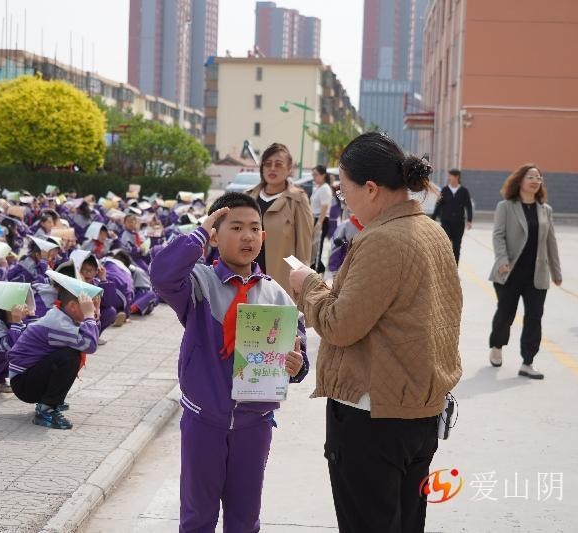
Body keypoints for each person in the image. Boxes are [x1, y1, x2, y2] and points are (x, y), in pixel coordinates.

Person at [288, 132, 462, 533]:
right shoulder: (431, 231)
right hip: (419, 411)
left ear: (370, 188)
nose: (344, 201)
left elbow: (339, 326)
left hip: (374, 418)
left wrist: (309, 286)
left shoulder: (384, 239)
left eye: (345, 191)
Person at [151, 192, 309, 532]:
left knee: (245, 518)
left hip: (255, 425)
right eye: (236, 227)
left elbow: (299, 351)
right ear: (215, 235)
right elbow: (162, 275)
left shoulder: (276, 295)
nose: (248, 236)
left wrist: (297, 365)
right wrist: (196, 237)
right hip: (203, 422)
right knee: (197, 517)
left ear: (263, 237)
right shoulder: (198, 284)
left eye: (255, 228)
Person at [488, 164, 562, 379]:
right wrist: (502, 260)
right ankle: (497, 346)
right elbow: (498, 235)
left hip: (537, 275)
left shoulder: (545, 210)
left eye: (538, 177)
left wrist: (556, 272)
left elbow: (551, 242)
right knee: (505, 315)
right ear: (520, 181)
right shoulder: (506, 206)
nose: (535, 180)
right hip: (509, 273)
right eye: (530, 176)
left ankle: (528, 362)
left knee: (534, 318)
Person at [8, 286, 99, 430]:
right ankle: (46, 409)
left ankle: (49, 401)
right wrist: (89, 315)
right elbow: (90, 344)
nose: (92, 309)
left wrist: (91, 315)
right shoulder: (58, 323)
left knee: (70, 353)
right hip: (23, 384)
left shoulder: (62, 315)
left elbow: (89, 337)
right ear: (72, 306)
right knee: (70, 357)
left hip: (29, 377)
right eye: (88, 305)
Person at [247, 143, 313, 293]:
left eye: (278, 164)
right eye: (267, 164)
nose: (272, 168)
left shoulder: (297, 200)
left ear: (289, 169)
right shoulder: (248, 197)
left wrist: (302, 281)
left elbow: (304, 248)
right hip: (247, 280)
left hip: (281, 283)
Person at [431, 168, 473, 264]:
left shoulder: (464, 191)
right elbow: (438, 205)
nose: (448, 178)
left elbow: (468, 206)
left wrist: (469, 220)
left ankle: (455, 269)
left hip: (459, 224)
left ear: (456, 177)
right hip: (446, 222)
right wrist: (432, 219)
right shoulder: (445, 190)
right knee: (445, 246)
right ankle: (445, 268)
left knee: (457, 247)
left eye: (450, 176)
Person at [310, 165, 334, 273]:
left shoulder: (325, 188)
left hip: (320, 219)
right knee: (313, 247)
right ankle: (317, 267)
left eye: (316, 175)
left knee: (317, 247)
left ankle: (318, 269)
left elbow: (324, 207)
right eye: (313, 175)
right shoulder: (318, 187)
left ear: (323, 175)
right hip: (314, 218)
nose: (313, 177)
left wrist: (319, 223)